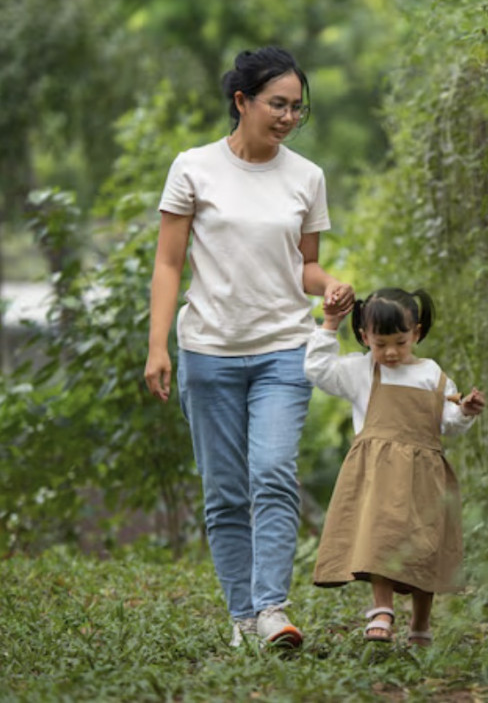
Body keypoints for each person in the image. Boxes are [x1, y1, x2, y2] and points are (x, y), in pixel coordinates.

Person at [143, 46, 354, 650]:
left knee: (272, 473)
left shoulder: (306, 176)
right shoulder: (193, 168)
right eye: (277, 104)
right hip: (207, 351)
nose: (288, 117)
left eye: (297, 108)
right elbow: (167, 262)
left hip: (284, 350)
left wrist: (330, 285)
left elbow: (306, 267)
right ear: (242, 101)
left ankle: (271, 610)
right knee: (227, 489)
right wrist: (158, 347)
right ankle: (242, 617)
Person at [304, 288, 486, 646]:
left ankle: (421, 624)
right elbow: (319, 370)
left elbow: (447, 423)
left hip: (425, 476)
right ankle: (382, 610)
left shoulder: (432, 374)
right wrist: (328, 325)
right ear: (364, 337)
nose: (390, 352)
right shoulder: (361, 370)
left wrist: (465, 411)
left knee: (424, 546)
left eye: (400, 342)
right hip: (378, 475)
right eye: (380, 343)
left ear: (416, 333)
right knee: (380, 538)